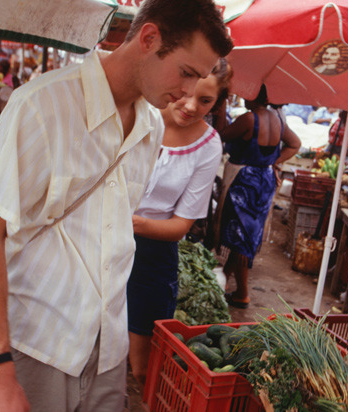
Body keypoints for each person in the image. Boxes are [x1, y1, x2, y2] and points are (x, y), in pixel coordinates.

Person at [0, 0, 233, 410]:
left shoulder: (151, 124)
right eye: (187, 72)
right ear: (149, 38)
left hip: (106, 350)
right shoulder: (41, 105)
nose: (190, 93)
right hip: (34, 346)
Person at [127, 58, 232, 385]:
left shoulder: (209, 145)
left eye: (205, 101)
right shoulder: (137, 115)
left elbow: (180, 227)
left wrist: (128, 223)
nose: (190, 106)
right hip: (99, 239)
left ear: (217, 102)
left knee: (141, 366)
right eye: (187, 93)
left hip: (153, 252)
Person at [215, 85, 301, 309]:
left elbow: (221, 134)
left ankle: (243, 294)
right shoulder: (278, 118)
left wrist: (222, 103)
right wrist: (273, 161)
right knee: (247, 235)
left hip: (245, 181)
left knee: (241, 236)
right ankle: (224, 277)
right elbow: (295, 144)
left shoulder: (249, 119)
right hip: (264, 180)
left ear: (254, 97)